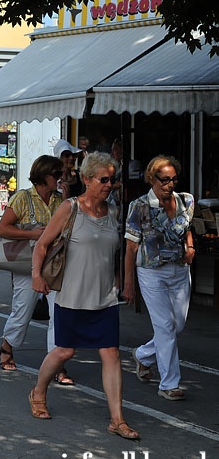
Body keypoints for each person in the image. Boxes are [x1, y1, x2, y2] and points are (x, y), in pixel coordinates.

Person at [29, 152, 139, 439]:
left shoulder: (113, 212)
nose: (109, 184)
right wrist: (37, 275)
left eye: (113, 179)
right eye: (104, 179)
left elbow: (113, 253)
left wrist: (122, 283)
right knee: (65, 351)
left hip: (104, 297)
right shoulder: (70, 208)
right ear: (88, 179)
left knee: (111, 354)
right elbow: (42, 245)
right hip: (71, 295)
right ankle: (38, 391)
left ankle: (117, 419)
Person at [0, 155, 73, 383]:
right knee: (23, 311)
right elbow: (2, 229)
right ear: (43, 175)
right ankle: (6, 346)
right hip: (27, 264)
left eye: (61, 175)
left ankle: (57, 364)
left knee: (58, 314)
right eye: (56, 175)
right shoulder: (22, 197)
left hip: (55, 264)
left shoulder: (61, 201)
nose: (60, 179)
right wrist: (31, 234)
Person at [124, 156, 195, 401]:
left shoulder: (186, 200)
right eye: (164, 179)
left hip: (179, 270)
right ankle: (169, 384)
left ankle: (143, 355)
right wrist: (128, 283)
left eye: (174, 179)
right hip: (151, 272)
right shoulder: (140, 206)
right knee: (165, 327)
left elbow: (186, 229)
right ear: (151, 178)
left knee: (178, 326)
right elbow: (131, 248)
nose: (170, 184)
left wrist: (190, 246)